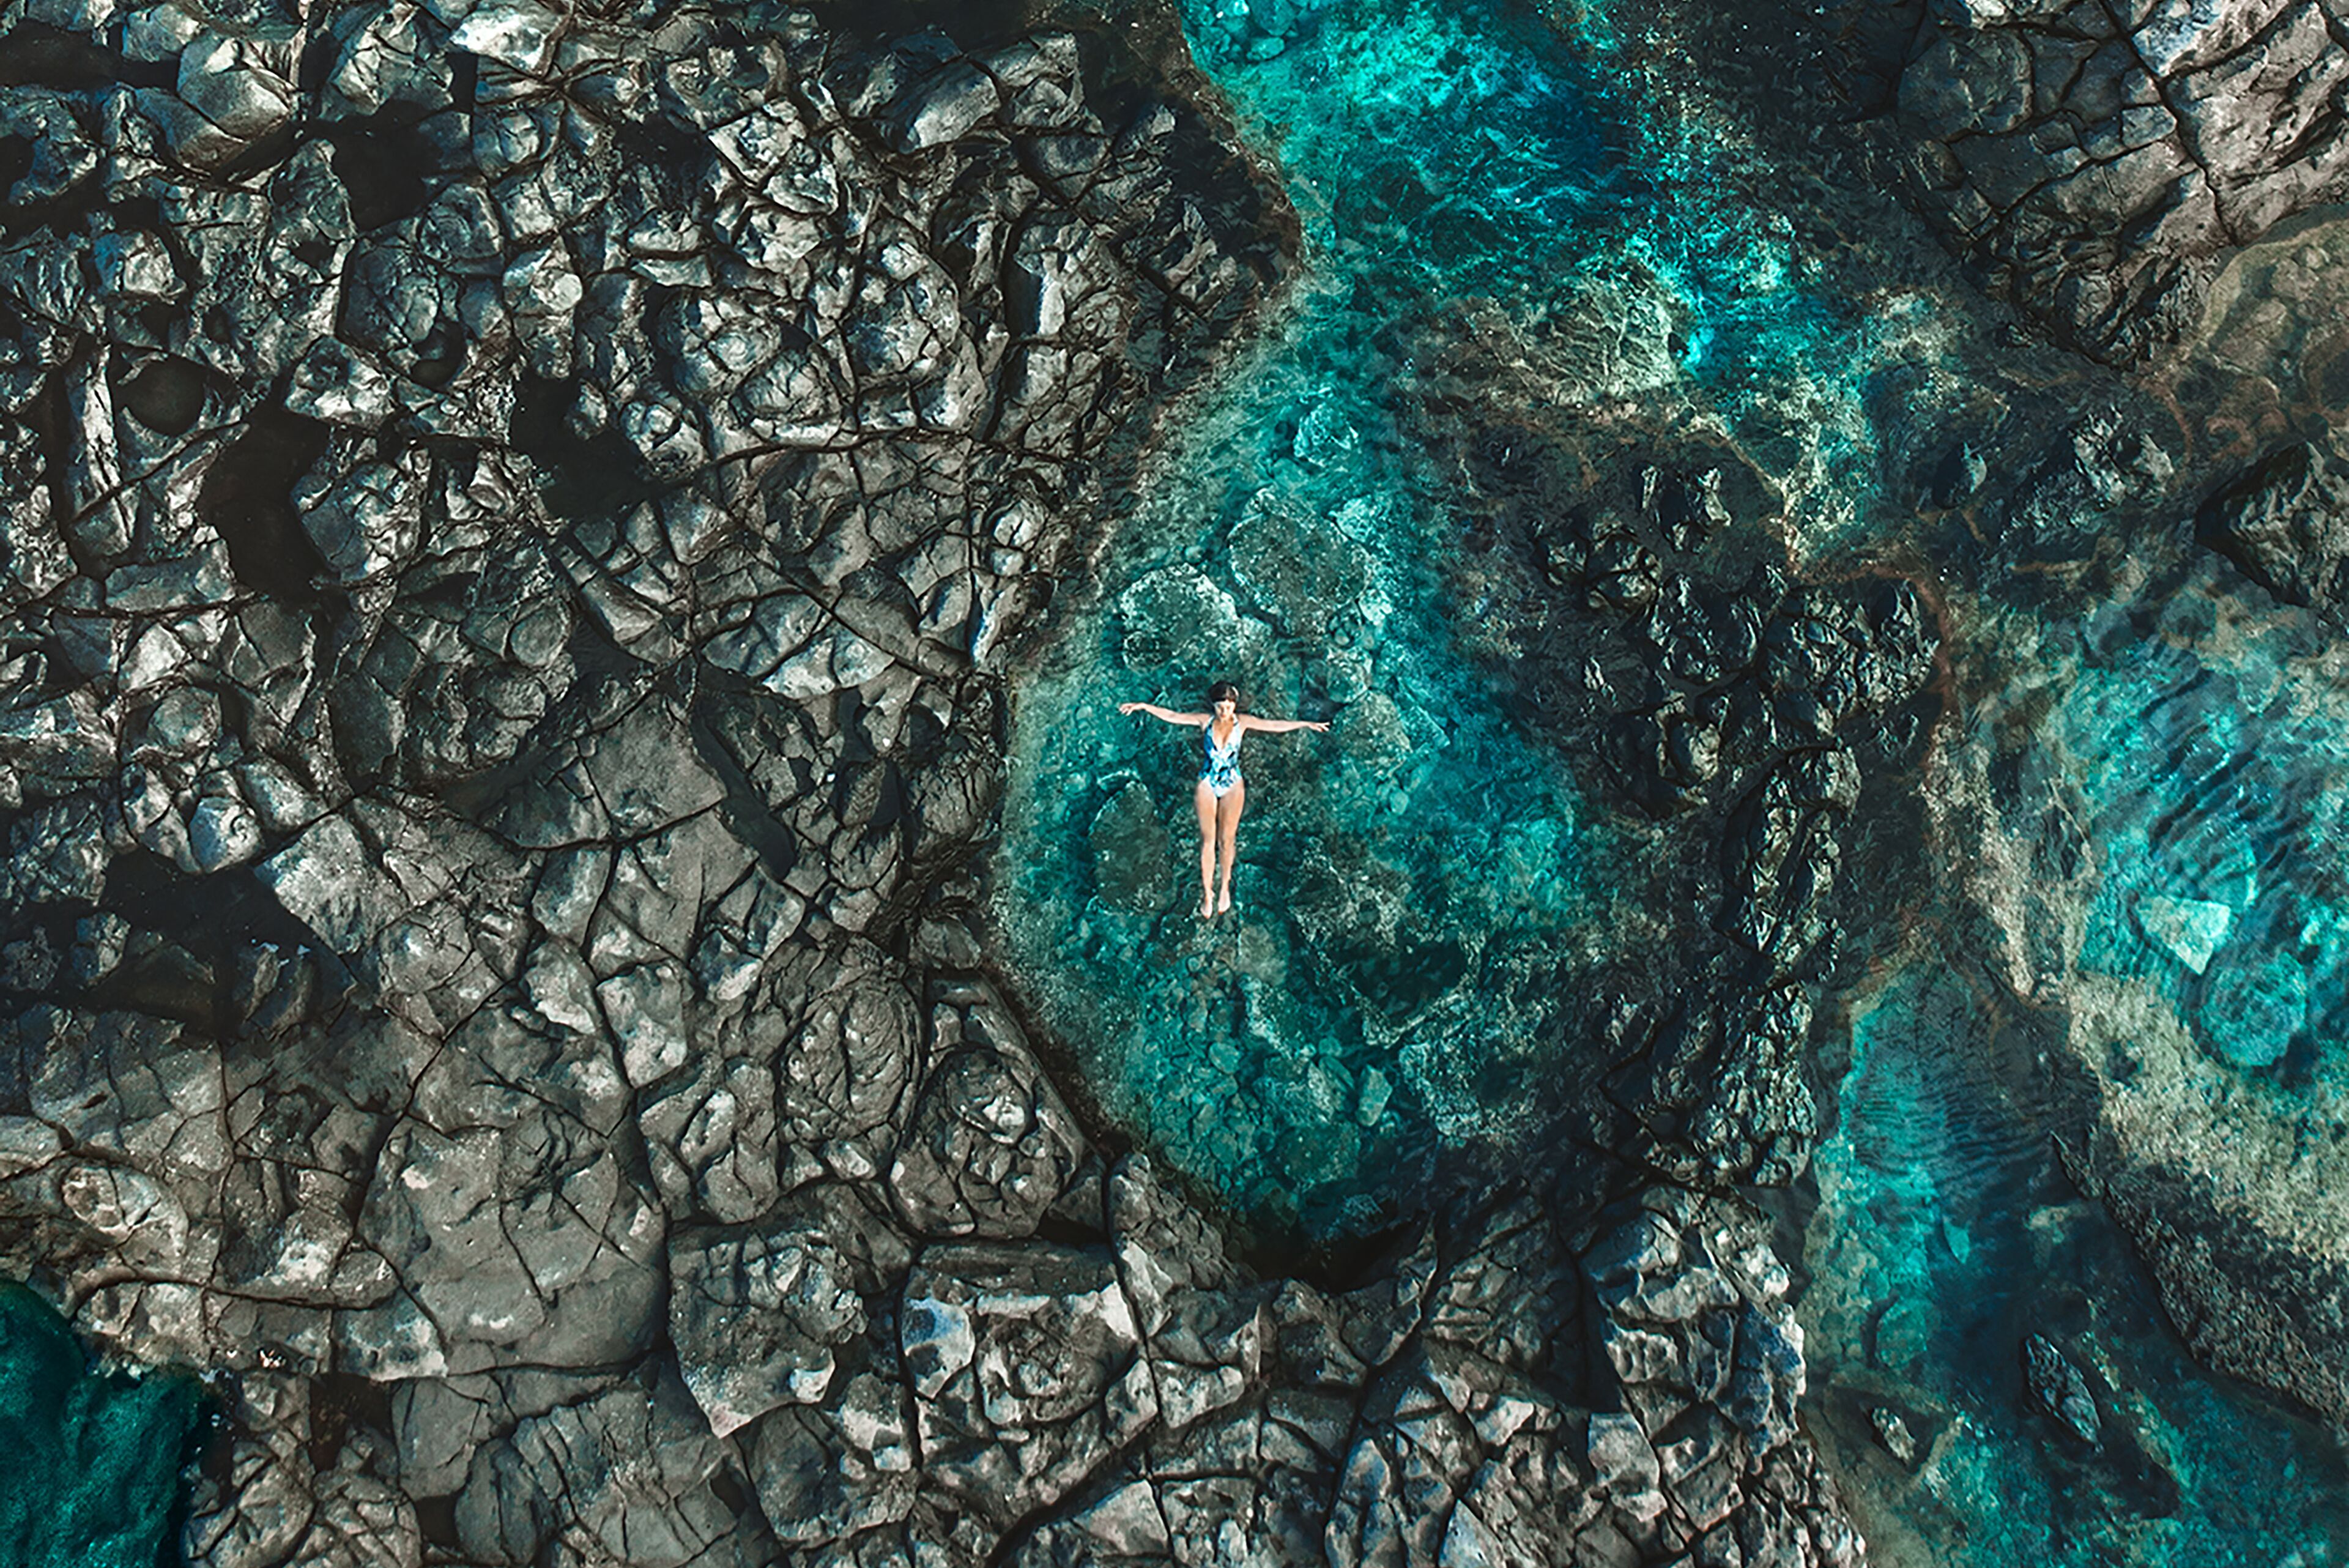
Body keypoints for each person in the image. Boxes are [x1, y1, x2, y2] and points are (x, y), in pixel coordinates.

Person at [1119, 681, 1330, 920]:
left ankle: (1224, 887)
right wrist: (1144, 706)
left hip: (1232, 784)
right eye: (1220, 707)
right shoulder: (1205, 721)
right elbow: (1173, 716)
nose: (1224, 712)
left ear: (1234, 705)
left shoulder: (1243, 722)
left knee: (1227, 840)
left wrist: (1305, 724)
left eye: (1229, 707)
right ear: (1214, 706)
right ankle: (1207, 892)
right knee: (1208, 840)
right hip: (1207, 783)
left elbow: (1273, 725)